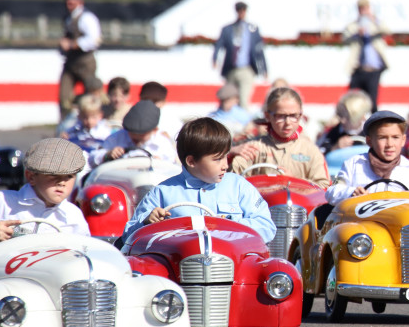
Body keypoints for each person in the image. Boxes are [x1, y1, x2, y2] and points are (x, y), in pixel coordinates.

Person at [123, 117, 276, 244]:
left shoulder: (239, 186)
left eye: (225, 156)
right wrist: (146, 223)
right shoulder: (162, 192)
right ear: (191, 161)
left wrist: (224, 227)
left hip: (232, 267)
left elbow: (267, 227)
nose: (225, 165)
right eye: (217, 159)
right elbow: (128, 237)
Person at [0, 138, 90, 258]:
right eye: (53, 176)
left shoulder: (73, 215)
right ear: (31, 177)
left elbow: (86, 254)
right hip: (6, 278)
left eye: (69, 176)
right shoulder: (3, 202)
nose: (62, 183)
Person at [229, 87, 330, 187]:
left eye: (293, 115)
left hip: (297, 203)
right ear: (268, 116)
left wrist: (294, 181)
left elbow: (324, 187)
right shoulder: (253, 148)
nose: (287, 123)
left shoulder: (310, 150)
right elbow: (232, 183)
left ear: (300, 115)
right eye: (280, 116)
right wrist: (229, 154)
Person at [326, 110, 409, 204]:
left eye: (395, 137)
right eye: (382, 138)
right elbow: (331, 192)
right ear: (369, 141)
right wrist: (351, 193)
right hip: (362, 223)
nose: (390, 144)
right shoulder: (354, 164)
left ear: (403, 140)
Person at [212, 1, 268, 111]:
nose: (241, 13)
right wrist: (215, 59)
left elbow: (259, 50)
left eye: (243, 10)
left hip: (246, 69)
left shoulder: (253, 29)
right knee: (229, 98)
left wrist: (264, 68)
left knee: (243, 99)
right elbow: (219, 45)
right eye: (239, 10)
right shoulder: (227, 29)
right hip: (231, 68)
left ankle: (243, 124)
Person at [90, 100, 179, 165]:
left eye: (141, 134)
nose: (136, 138)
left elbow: (172, 167)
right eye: (132, 133)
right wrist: (108, 155)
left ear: (154, 130)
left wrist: (161, 164)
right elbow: (92, 158)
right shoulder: (118, 137)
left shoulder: (163, 143)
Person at [58, 0, 101, 120]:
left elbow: (94, 39)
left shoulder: (87, 18)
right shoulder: (68, 18)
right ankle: (65, 125)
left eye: (72, 2)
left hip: (85, 62)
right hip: (71, 61)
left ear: (80, 2)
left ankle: (92, 120)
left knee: (91, 95)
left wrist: (72, 44)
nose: (69, 5)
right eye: (68, 2)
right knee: (64, 96)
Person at [344, 0, 388, 110]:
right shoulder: (354, 25)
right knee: (353, 97)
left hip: (373, 68)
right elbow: (345, 38)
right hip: (358, 68)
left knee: (372, 100)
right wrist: (357, 33)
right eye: (361, 8)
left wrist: (373, 19)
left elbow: (387, 30)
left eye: (365, 8)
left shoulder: (375, 22)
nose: (363, 11)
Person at [62, 92, 113, 165]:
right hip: (78, 162)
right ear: (79, 116)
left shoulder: (105, 131)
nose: (89, 121)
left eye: (93, 117)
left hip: (96, 163)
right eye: (85, 117)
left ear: (100, 115)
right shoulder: (75, 130)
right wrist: (65, 139)